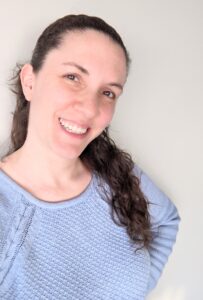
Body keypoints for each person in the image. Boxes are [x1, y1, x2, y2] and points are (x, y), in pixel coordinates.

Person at [0, 14, 180, 300]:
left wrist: (138, 291)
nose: (90, 108)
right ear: (29, 82)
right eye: (73, 77)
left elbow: (167, 219)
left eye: (108, 92)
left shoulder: (116, 171)